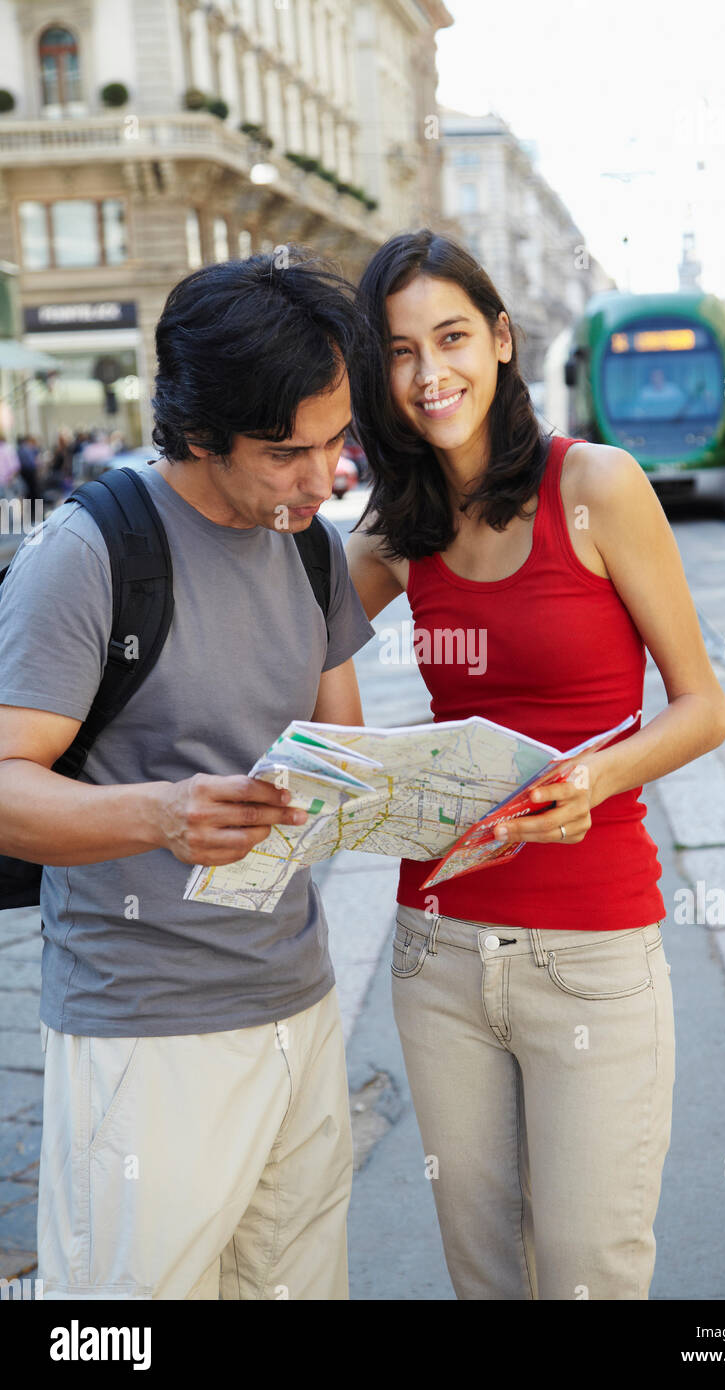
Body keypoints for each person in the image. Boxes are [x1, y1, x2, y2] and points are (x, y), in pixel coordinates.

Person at [346, 229, 725, 1301]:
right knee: (486, 1278)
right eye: (398, 351)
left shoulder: (596, 484)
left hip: (592, 949)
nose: (430, 373)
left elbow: (702, 707)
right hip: (436, 949)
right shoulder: (397, 529)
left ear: (502, 339)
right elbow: (284, 641)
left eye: (452, 337)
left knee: (584, 1274)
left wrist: (594, 778)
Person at [0, 251, 375, 1299]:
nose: (321, 480)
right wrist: (161, 813)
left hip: (298, 1003)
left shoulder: (311, 548)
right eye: (287, 453)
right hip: (144, 1032)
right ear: (201, 433)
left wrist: (443, 791)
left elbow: (343, 753)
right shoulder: (91, 551)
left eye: (337, 442)